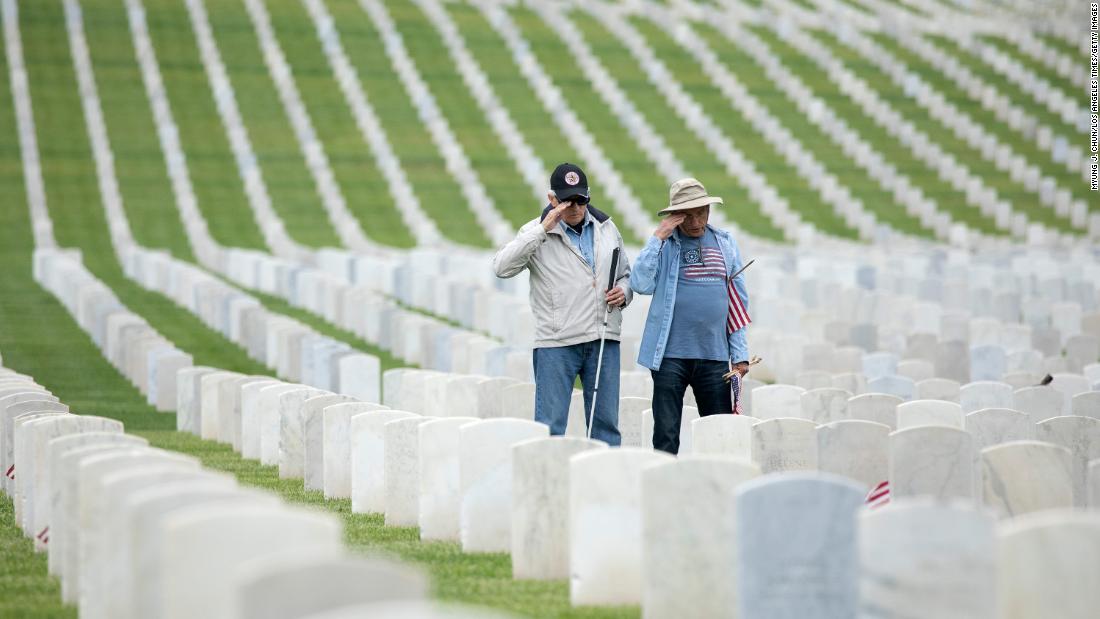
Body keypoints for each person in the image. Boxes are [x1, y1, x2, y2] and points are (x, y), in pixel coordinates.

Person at [492, 163, 631, 445]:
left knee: (606, 427)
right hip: (557, 342)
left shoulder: (607, 228)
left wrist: (624, 292)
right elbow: (502, 267)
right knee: (550, 427)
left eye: (581, 200)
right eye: (567, 201)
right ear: (552, 199)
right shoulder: (535, 232)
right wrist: (543, 228)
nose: (575, 207)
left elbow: (625, 273)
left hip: (603, 337)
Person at [630, 178, 751, 454]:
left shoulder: (725, 243)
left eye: (702, 213)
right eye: (689, 215)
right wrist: (658, 236)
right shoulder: (666, 245)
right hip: (670, 355)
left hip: (715, 357)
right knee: (666, 435)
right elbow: (640, 283)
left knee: (718, 435)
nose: (697, 222)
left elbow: (737, 301)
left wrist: (740, 353)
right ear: (677, 216)